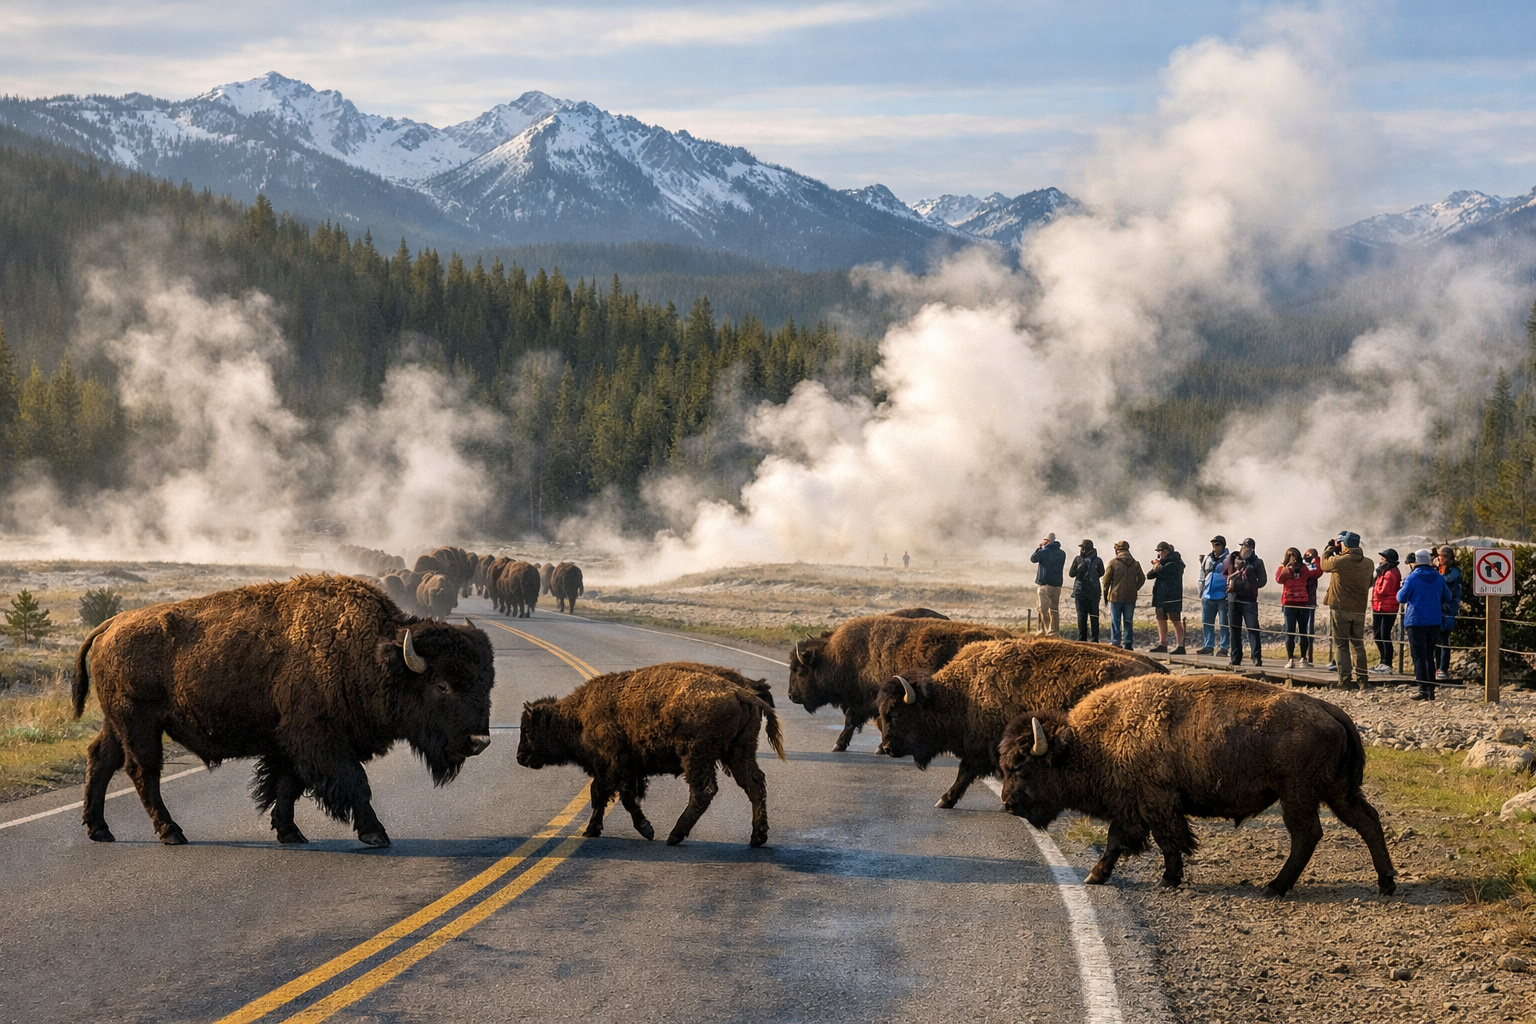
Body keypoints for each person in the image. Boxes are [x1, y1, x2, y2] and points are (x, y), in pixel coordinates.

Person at [1397, 548, 1451, 701]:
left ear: (1416, 561)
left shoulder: (1412, 578)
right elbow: (1447, 595)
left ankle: (1422, 688)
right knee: (1430, 654)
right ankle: (1431, 689)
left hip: (1416, 620)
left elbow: (1401, 597)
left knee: (1418, 656)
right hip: (1434, 620)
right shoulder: (1439, 577)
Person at [1322, 531, 1373, 690]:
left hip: (1340, 607)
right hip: (1359, 609)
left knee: (1341, 645)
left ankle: (1344, 681)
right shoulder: (1369, 563)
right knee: (1358, 645)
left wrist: (1329, 549)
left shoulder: (1339, 561)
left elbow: (1323, 565)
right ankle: (1363, 680)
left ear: (1344, 544)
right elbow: (1370, 582)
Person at [1277, 546, 1322, 668]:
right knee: (1292, 632)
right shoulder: (1287, 569)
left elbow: (1318, 570)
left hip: (1297, 604)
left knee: (1299, 632)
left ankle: (1299, 659)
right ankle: (1293, 659)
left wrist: (1315, 558)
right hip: (1294, 604)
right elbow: (1279, 579)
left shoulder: (1303, 569)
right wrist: (1289, 568)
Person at [1226, 538, 1267, 667]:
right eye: (1243, 546)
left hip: (1249, 599)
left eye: (1247, 547)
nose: (1244, 549)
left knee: (1253, 629)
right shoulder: (1233, 560)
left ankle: (1256, 657)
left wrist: (1250, 584)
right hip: (1234, 598)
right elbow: (1225, 574)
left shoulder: (1257, 562)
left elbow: (1262, 581)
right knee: (1234, 630)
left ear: (1252, 549)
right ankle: (1235, 657)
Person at [1103, 541, 1145, 651]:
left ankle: (1116, 642)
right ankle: (1128, 644)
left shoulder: (1113, 563)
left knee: (1115, 621)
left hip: (1115, 596)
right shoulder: (1135, 563)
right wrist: (1135, 588)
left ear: (1117, 550)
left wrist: (1105, 594)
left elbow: (1105, 581)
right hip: (1130, 597)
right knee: (1128, 621)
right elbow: (1142, 578)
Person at [1147, 541, 1186, 654]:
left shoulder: (1175, 562)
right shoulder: (1162, 563)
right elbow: (1149, 575)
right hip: (1160, 596)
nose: (1160, 554)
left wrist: (1157, 566)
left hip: (1172, 596)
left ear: (1167, 551)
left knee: (1176, 621)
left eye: (1162, 551)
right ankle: (1162, 644)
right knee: (1161, 620)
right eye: (1159, 551)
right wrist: (1156, 567)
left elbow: (1164, 572)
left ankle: (1180, 646)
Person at [1197, 535, 1231, 656]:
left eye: (1218, 545)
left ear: (1223, 546)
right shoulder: (1207, 558)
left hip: (1223, 596)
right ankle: (1208, 646)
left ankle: (1224, 647)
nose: (1215, 547)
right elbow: (1202, 574)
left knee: (1223, 623)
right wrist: (1200, 590)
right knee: (1207, 622)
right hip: (1208, 595)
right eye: (1213, 545)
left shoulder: (1229, 559)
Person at [1370, 548, 1402, 674]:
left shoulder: (1391, 573)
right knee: (1378, 635)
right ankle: (1382, 661)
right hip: (1379, 606)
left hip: (1388, 608)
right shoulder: (1385, 571)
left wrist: (1377, 577)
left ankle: (1387, 662)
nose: (1380, 561)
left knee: (1384, 635)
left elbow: (1383, 590)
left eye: (1382, 559)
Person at [1436, 545, 1464, 680]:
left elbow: (1445, 583)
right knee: (1436, 639)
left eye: (1440, 555)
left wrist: (1435, 571)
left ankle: (1443, 668)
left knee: (1444, 640)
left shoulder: (1454, 572)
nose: (1438, 558)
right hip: (1437, 609)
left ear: (1447, 557)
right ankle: (1436, 667)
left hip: (1448, 609)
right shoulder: (1441, 570)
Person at [1030, 533, 1066, 637]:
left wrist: (1039, 548)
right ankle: (1054, 631)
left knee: (1043, 609)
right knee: (1054, 609)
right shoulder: (1062, 553)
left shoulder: (1044, 551)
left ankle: (1044, 630)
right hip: (1057, 584)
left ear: (1047, 541)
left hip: (1044, 584)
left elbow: (1033, 559)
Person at [1069, 539, 1105, 642]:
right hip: (1081, 592)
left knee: (1094, 616)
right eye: (1082, 548)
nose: (1082, 550)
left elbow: (1101, 572)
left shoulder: (1097, 560)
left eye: (1084, 548)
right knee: (1081, 616)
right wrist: (1079, 569)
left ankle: (1095, 639)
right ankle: (1082, 639)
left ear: (1089, 549)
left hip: (1092, 592)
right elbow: (1071, 574)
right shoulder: (1078, 559)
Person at [1301, 547, 1322, 665]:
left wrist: (1316, 559)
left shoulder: (1310, 566)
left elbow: (1317, 571)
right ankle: (1303, 656)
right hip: (1304, 601)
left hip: (1308, 602)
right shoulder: (1305, 567)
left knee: (1308, 631)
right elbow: (1316, 571)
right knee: (1304, 631)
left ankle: (1307, 657)